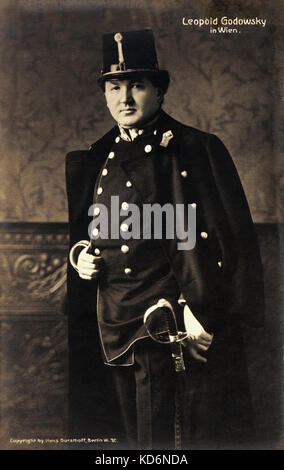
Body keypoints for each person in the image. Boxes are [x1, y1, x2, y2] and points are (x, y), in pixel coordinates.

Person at [65, 29, 264, 450]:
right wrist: (80, 255)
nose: (126, 99)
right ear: (104, 94)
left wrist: (198, 307)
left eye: (137, 85)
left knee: (167, 437)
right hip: (110, 314)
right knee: (126, 433)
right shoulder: (97, 155)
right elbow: (90, 229)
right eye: (115, 87)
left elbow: (228, 240)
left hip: (169, 313)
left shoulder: (198, 150)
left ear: (160, 91)